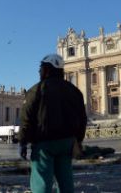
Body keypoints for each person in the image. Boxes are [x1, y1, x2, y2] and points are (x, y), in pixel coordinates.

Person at [18, 54, 87, 193]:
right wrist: (78, 140)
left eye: (41, 68)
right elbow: (82, 118)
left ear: (48, 69)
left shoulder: (36, 90)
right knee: (66, 181)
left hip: (44, 145)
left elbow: (26, 118)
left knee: (41, 182)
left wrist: (23, 142)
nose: (39, 71)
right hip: (67, 143)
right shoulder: (74, 91)